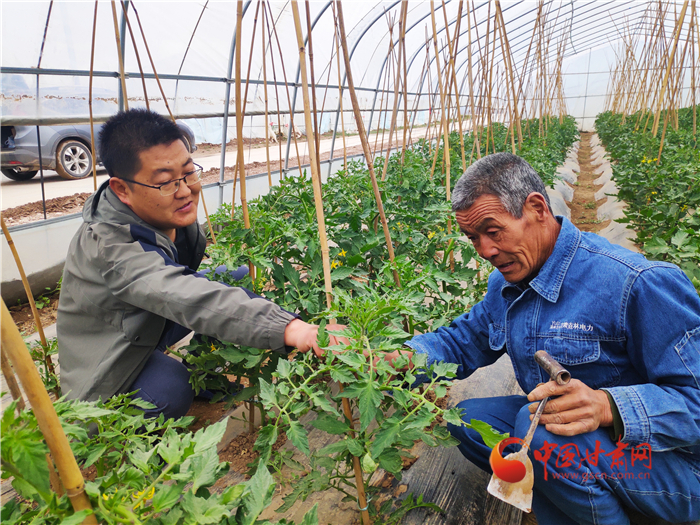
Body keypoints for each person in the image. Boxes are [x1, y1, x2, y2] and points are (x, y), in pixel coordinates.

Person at [389, 152, 700, 524]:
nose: (485, 251)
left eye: (493, 230)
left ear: (537, 208)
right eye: (473, 238)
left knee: (540, 436)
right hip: (589, 446)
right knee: (468, 421)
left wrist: (607, 406)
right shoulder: (507, 281)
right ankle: (580, 501)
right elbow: (462, 341)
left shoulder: (636, 283)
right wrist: (393, 359)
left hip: (676, 464)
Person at [57, 108, 337, 420]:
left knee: (236, 276)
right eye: (165, 182)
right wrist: (296, 329)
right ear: (122, 189)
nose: (186, 190)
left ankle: (202, 371)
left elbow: (186, 289)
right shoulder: (110, 247)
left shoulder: (165, 212)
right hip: (110, 355)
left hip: (147, 319)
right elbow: (184, 295)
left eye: (189, 172)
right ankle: (128, 431)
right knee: (171, 390)